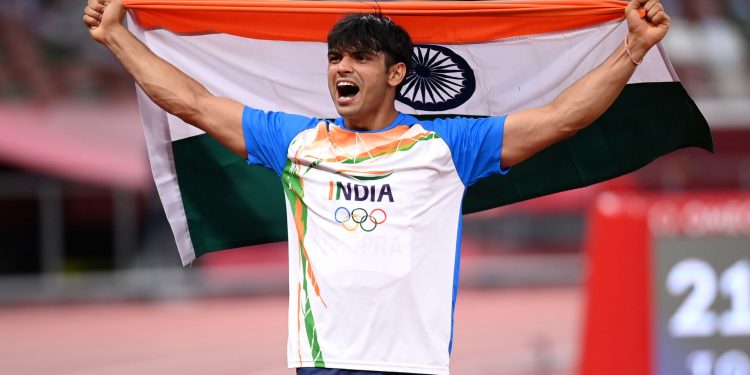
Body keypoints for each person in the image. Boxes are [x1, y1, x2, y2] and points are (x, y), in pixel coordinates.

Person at [82, 0, 670, 374]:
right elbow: (193, 103)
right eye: (336, 57)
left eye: (360, 57)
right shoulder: (297, 143)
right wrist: (116, 37)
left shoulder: (448, 147)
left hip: (410, 364)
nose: (341, 67)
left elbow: (563, 117)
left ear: (395, 74)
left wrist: (633, 47)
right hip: (321, 361)